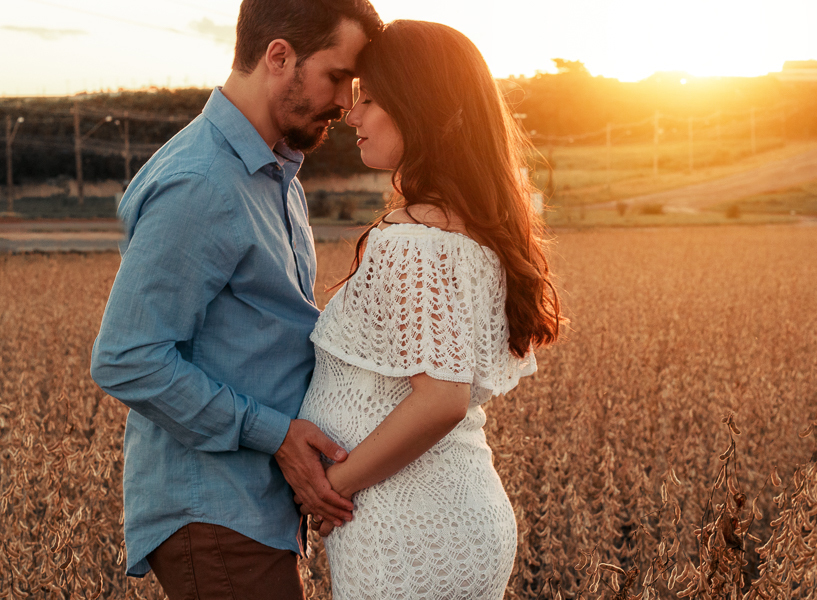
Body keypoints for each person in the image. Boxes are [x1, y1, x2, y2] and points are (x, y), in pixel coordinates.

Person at [89, 1, 381, 597]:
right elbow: (126, 357)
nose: (346, 102)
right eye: (336, 77)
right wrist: (273, 434)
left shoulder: (275, 175)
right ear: (279, 57)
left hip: (247, 514)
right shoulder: (202, 182)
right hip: (214, 515)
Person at [296, 20, 564, 599]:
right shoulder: (464, 229)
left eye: (370, 98)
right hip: (442, 516)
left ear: (426, 110)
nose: (352, 114)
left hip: (409, 529)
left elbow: (441, 399)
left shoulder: (415, 242)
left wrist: (331, 486)